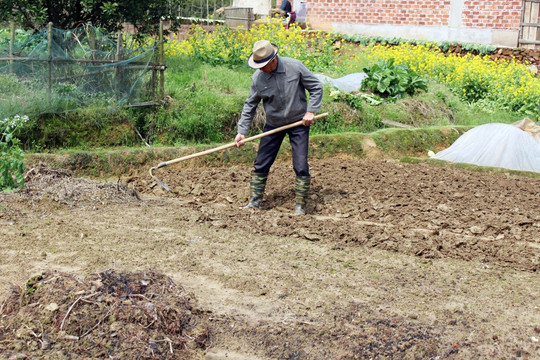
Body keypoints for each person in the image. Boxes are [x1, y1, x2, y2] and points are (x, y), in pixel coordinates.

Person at [234, 40, 323, 215]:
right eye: (257, 65)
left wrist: (311, 111)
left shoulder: (294, 67)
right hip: (274, 124)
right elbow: (250, 105)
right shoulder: (258, 78)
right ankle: (254, 201)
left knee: (300, 165)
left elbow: (316, 87)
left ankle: (300, 206)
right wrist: (242, 131)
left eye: (263, 65)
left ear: (273, 60)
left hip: (298, 123)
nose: (260, 69)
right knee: (261, 163)